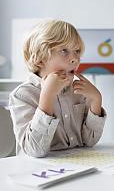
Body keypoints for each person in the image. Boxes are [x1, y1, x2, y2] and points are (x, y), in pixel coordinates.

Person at [9, 20, 106, 158]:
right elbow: (34, 150)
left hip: (77, 166)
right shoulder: (22, 95)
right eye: (64, 50)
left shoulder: (79, 91)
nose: (75, 59)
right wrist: (47, 96)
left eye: (77, 51)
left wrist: (96, 100)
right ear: (39, 59)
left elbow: (90, 141)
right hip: (38, 173)